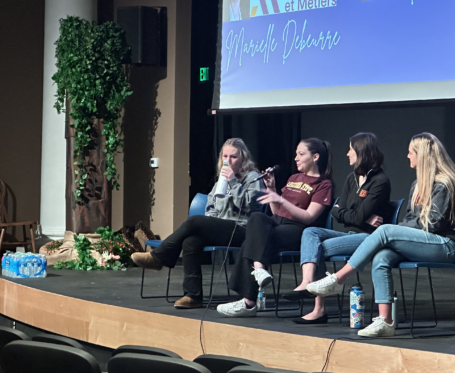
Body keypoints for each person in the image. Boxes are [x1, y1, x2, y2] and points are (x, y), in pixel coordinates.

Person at [307, 132, 455, 338]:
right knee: (382, 257)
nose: (407, 156)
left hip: (445, 245)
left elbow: (433, 224)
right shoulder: (417, 185)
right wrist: (401, 231)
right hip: (422, 241)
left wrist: (398, 232)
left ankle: (339, 279)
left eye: (411, 153)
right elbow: (411, 218)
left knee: (385, 230)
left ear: (423, 155)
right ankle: (386, 321)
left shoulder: (444, 183)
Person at [131, 138, 262, 309]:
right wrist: (212, 218)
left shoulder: (253, 178)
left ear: (243, 158)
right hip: (221, 228)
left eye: (234, 157)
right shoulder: (220, 181)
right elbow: (212, 206)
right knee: (190, 241)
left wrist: (233, 182)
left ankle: (159, 257)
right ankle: (193, 295)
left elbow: (248, 206)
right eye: (225, 156)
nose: (228, 161)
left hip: (243, 230)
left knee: (195, 221)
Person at [216, 138, 333, 318]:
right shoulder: (294, 178)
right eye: (296, 154)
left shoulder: (323, 184)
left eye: (301, 154)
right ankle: (259, 270)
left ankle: (248, 301)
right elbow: (277, 210)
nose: (296, 158)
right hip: (278, 223)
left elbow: (310, 217)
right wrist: (272, 189)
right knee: (256, 217)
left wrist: (281, 199)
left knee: (252, 241)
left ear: (315, 157)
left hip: (299, 230)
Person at [284, 133, 391, 324]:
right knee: (311, 232)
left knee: (317, 248)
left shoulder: (380, 181)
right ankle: (307, 282)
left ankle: (319, 309)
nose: (347, 153)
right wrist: (363, 217)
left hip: (368, 238)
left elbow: (352, 214)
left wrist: (357, 216)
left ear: (361, 152)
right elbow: (336, 211)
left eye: (351, 149)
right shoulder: (352, 178)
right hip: (349, 233)